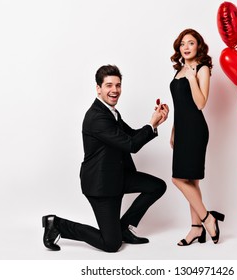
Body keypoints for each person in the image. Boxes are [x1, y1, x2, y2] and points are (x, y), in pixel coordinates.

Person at [42, 65, 169, 253]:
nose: (115, 90)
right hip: (101, 185)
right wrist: (151, 124)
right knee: (111, 244)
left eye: (118, 85)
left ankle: (124, 228)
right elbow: (131, 145)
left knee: (157, 186)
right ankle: (57, 224)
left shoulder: (111, 112)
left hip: (117, 175)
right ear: (98, 88)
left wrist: (155, 123)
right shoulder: (96, 117)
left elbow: (131, 136)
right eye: (109, 85)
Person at [169, 29, 225, 246]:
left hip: (195, 130)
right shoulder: (179, 70)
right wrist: (174, 130)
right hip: (182, 130)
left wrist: (192, 78)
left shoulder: (202, 69)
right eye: (182, 43)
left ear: (198, 46)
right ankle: (195, 230)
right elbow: (179, 105)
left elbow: (201, 103)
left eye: (190, 43)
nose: (186, 47)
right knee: (190, 179)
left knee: (178, 178)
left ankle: (208, 219)